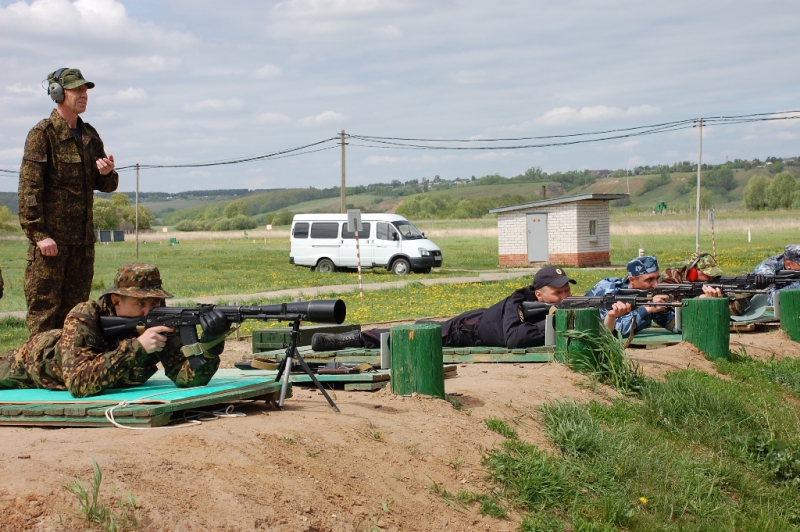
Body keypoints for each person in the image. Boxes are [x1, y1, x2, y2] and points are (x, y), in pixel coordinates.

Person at [0, 263, 228, 398]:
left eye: (155, 302)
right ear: (116, 300)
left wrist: (210, 346)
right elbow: (78, 384)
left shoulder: (162, 317)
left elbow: (184, 377)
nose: (149, 310)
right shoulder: (86, 315)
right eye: (141, 303)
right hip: (29, 363)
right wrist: (137, 348)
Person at [19, 68, 118, 335]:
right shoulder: (43, 134)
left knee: (75, 317)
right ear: (58, 93)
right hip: (51, 246)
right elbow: (29, 189)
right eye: (77, 90)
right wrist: (39, 234)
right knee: (45, 315)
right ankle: (38, 373)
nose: (84, 95)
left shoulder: (90, 136)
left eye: (85, 90)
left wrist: (107, 173)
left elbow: (106, 185)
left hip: (82, 246)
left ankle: (67, 371)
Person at [311, 266, 577, 351]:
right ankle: (355, 338)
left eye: (567, 290)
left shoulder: (544, 306)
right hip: (465, 329)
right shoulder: (518, 302)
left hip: (480, 322)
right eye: (558, 293)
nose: (564, 296)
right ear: (539, 294)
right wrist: (553, 323)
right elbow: (514, 338)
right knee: (413, 337)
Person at [585, 255, 680, 335]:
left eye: (657, 279)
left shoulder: (648, 295)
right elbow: (613, 330)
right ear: (632, 280)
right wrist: (646, 309)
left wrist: (669, 307)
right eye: (649, 280)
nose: (655, 285)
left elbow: (677, 327)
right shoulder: (610, 293)